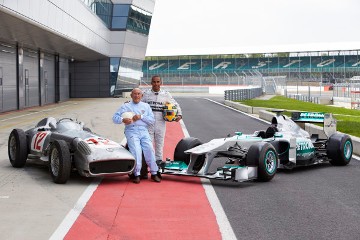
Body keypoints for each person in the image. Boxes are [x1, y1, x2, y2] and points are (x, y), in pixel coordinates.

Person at [112, 88, 161, 184]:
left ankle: (154, 172)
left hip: (143, 130)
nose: (136, 96)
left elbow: (152, 120)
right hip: (131, 130)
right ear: (131, 95)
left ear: (141, 96)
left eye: (139, 94)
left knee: (150, 149)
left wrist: (141, 116)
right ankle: (136, 174)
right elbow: (114, 118)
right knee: (136, 151)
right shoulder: (125, 106)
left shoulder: (146, 106)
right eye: (134, 94)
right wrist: (122, 119)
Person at [142, 75, 183, 165]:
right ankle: (147, 163)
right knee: (148, 144)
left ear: (161, 83)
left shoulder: (166, 94)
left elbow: (175, 104)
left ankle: (158, 164)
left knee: (159, 144)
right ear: (151, 83)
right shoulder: (146, 94)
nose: (156, 84)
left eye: (158, 82)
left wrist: (179, 114)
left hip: (161, 122)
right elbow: (138, 103)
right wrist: (129, 104)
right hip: (148, 123)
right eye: (154, 82)